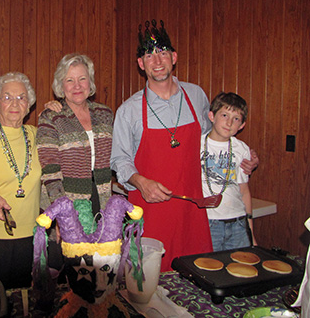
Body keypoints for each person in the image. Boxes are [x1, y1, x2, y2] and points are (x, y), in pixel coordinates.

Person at [110, 20, 258, 271]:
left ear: (174, 57)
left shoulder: (196, 95)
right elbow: (119, 160)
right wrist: (140, 181)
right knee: (150, 287)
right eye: (149, 55)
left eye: (163, 53)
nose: (157, 61)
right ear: (141, 64)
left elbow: (214, 138)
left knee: (198, 278)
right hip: (151, 212)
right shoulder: (129, 110)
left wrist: (244, 156)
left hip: (193, 213)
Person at [0, 72, 41, 289]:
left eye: (21, 97)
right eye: (7, 97)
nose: (15, 103)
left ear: (29, 104)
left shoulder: (37, 136)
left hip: (29, 235)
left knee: (22, 301)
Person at [37, 53, 113, 216]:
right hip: (67, 201)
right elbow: (50, 170)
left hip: (103, 198)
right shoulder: (51, 117)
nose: (77, 86)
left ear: (90, 82)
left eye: (82, 79)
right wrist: (61, 211)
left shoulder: (105, 114)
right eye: (69, 80)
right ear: (61, 85)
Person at [201, 92, 256, 251]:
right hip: (208, 221)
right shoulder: (196, 145)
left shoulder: (242, 149)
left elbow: (244, 191)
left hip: (238, 222)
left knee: (240, 267)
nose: (229, 122)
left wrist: (251, 231)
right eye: (224, 115)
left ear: (242, 125)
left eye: (236, 118)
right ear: (212, 116)